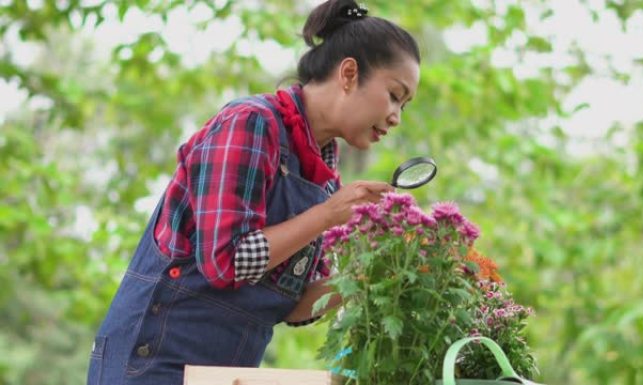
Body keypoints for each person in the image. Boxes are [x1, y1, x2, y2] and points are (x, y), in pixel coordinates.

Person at [87, 0, 420, 383]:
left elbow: (294, 307)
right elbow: (224, 260)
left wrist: (376, 270)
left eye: (405, 105)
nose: (396, 117)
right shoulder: (250, 124)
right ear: (348, 74)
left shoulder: (326, 181)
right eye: (395, 95)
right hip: (153, 362)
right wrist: (328, 215)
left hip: (225, 374)